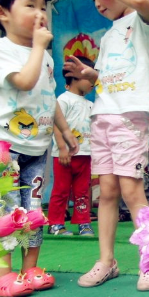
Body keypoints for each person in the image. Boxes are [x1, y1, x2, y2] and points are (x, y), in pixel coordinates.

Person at [63, 0, 149, 291]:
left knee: (132, 190)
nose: (98, 1)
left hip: (129, 118)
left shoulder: (144, 20)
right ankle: (107, 261)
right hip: (103, 116)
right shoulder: (107, 36)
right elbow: (109, 79)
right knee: (106, 191)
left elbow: (142, 2)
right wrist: (90, 74)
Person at [0, 0, 79, 297]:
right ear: (2, 13)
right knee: (3, 206)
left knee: (32, 207)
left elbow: (47, 97)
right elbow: (23, 81)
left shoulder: (45, 57)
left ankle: (30, 268)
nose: (41, 13)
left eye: (43, 5)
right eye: (30, 5)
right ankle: (0, 274)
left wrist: (64, 134)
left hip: (37, 147)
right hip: (1, 144)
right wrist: (38, 47)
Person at [48, 56, 95, 237]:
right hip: (65, 156)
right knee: (61, 190)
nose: (93, 82)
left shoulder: (91, 104)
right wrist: (62, 148)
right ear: (75, 77)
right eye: (88, 78)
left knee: (82, 191)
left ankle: (83, 222)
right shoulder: (64, 99)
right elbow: (57, 125)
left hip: (85, 155)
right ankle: (56, 224)